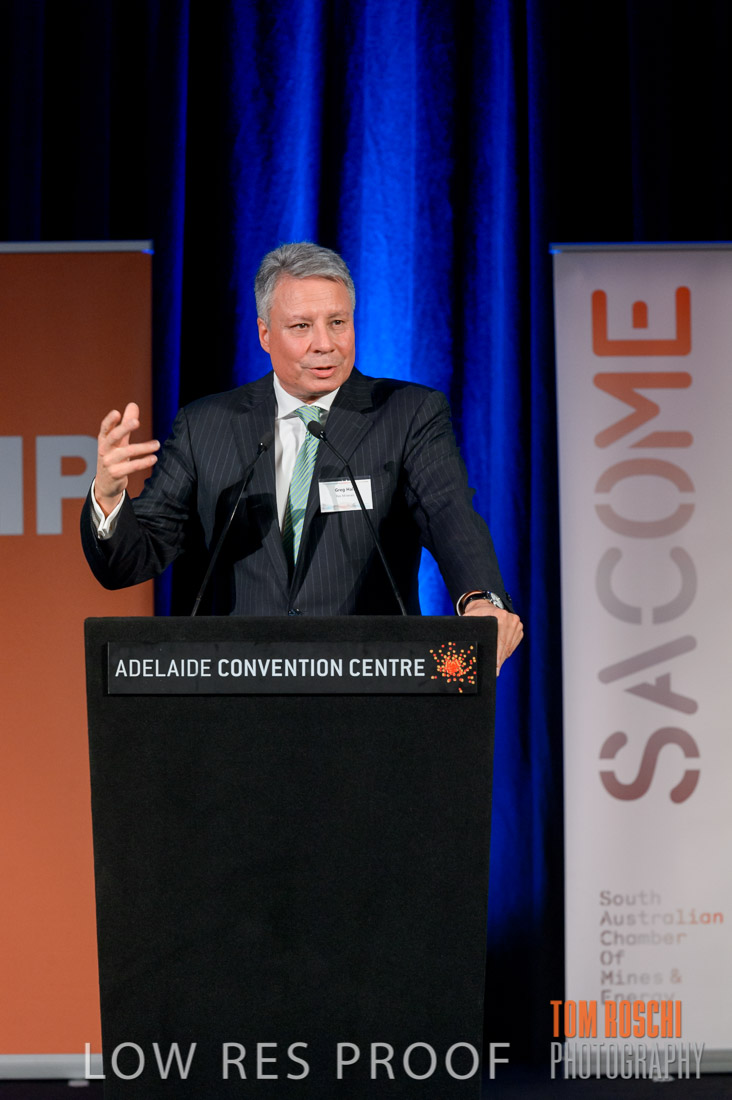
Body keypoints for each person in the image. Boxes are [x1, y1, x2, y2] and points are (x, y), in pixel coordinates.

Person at [82, 242, 523, 672]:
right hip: (243, 685)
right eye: (301, 327)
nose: (324, 344)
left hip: (370, 681)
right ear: (265, 334)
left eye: (337, 322)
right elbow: (128, 563)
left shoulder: (407, 413)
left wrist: (481, 599)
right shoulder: (207, 425)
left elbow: (448, 513)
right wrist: (108, 495)